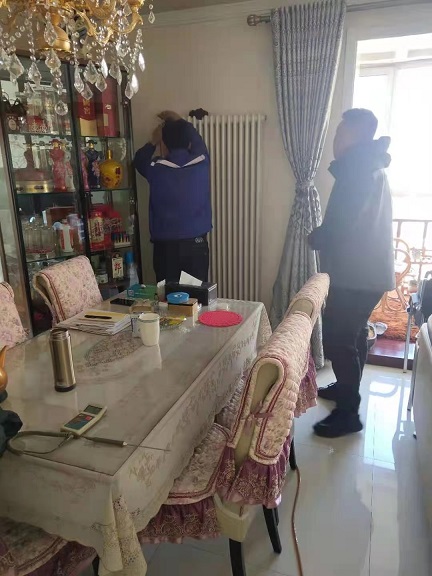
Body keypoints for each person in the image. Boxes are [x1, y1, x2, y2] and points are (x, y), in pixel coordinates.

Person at [309, 108, 395, 438]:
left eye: (340, 134)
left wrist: (317, 237)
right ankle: (347, 390)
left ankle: (348, 414)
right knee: (354, 334)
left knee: (338, 339)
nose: (335, 140)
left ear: (356, 138)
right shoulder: (369, 164)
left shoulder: (358, 168)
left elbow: (342, 225)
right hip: (367, 272)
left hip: (356, 275)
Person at [134, 111, 212, 283]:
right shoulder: (201, 162)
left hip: (166, 248)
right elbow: (197, 141)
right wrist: (180, 120)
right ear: (189, 142)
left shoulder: (156, 168)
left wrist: (153, 141)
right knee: (197, 296)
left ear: (163, 144)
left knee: (168, 296)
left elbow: (139, 160)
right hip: (196, 244)